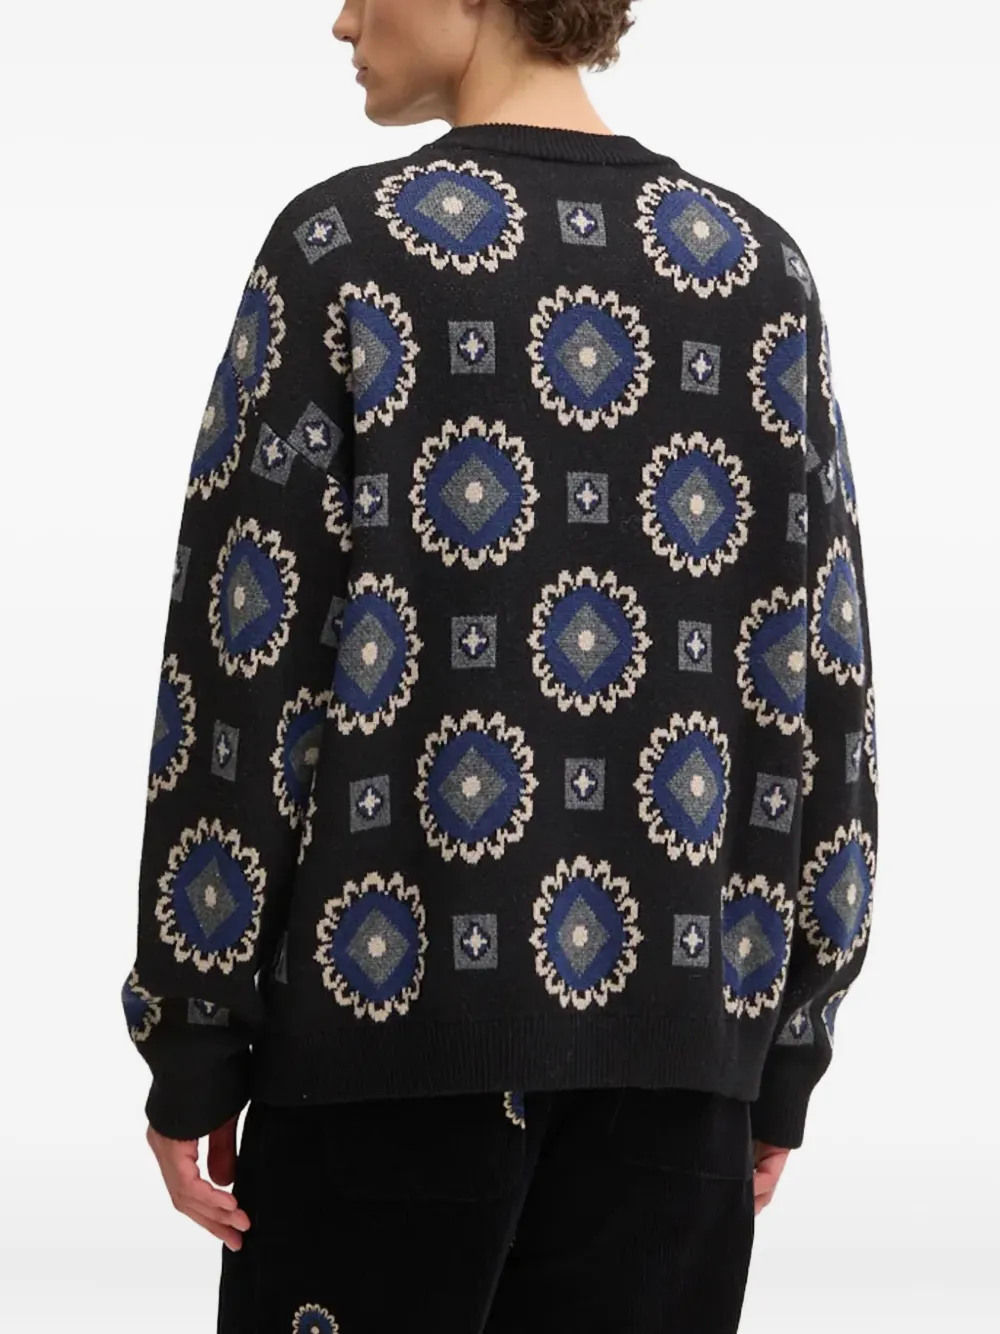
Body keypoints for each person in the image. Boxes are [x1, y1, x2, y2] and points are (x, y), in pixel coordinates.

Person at [119, 1, 880, 1330]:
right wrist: (786, 1045)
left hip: (380, 1061)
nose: (341, 18)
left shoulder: (341, 252)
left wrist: (194, 1030)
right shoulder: (761, 273)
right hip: (680, 1070)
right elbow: (826, 686)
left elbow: (242, 669)